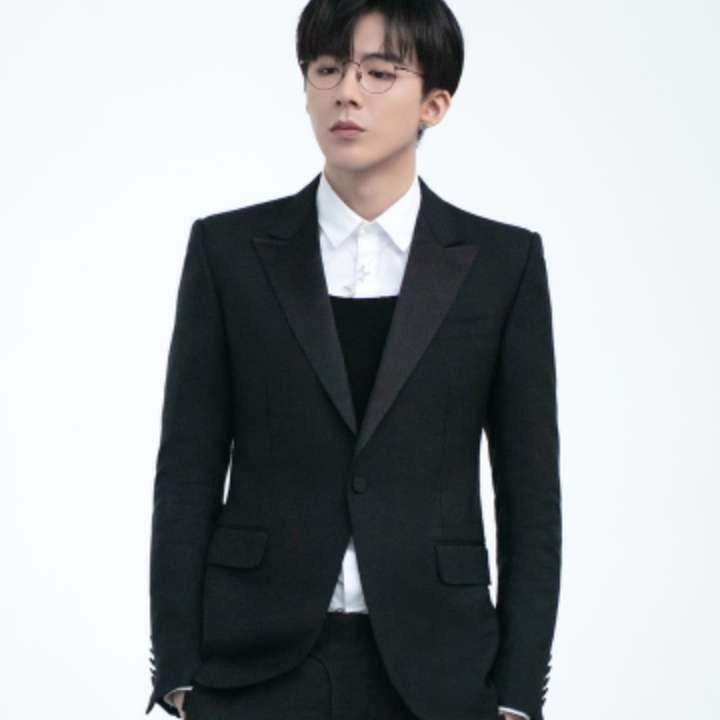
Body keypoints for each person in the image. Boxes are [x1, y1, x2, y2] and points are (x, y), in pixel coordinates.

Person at [146, 1, 562, 719]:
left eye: (379, 72)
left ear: (435, 104)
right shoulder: (228, 253)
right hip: (250, 666)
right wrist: (179, 669)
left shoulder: (502, 264)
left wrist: (519, 693)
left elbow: (530, 497)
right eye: (328, 68)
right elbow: (186, 472)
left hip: (440, 669)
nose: (347, 92)